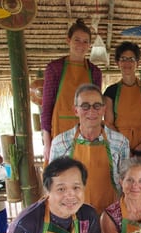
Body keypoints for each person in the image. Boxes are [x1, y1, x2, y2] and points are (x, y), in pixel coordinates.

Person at [49, 83, 130, 213]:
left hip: (111, 214)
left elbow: (126, 184)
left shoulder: (121, 143)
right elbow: (52, 186)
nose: (91, 111)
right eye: (85, 106)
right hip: (73, 215)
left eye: (97, 106)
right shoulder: (60, 143)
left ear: (104, 109)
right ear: (76, 110)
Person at [42, 18, 103, 163]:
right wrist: (47, 141)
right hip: (59, 131)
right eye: (77, 40)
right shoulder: (54, 68)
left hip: (87, 132)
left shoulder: (95, 72)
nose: (81, 45)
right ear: (68, 40)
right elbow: (47, 105)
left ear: (89, 45)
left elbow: (97, 108)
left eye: (85, 41)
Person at [104, 41, 141, 195]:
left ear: (137, 63)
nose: (127, 63)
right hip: (120, 146)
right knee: (125, 187)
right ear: (117, 63)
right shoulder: (111, 91)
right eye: (123, 59)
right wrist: (124, 147)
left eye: (131, 59)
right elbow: (108, 123)